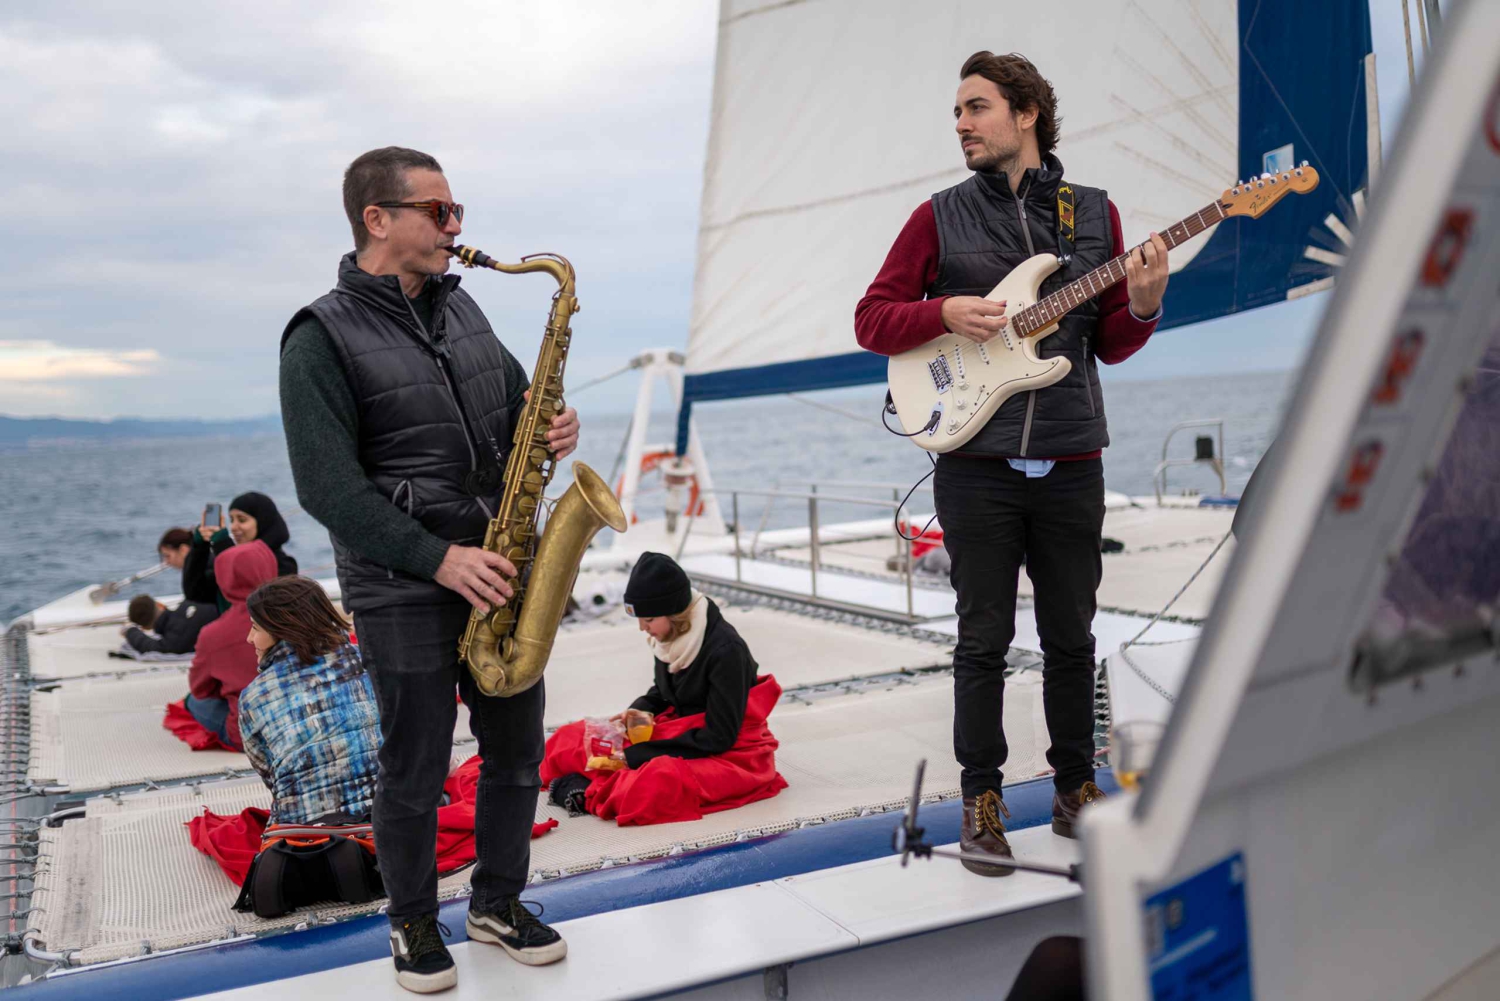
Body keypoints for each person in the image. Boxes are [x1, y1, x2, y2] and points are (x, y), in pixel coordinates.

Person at [854, 52, 1167, 874]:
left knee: (1073, 636)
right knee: (981, 640)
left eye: (976, 107)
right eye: (958, 110)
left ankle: (1075, 789)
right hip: (976, 463)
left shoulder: (1094, 214)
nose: (961, 123)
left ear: (1026, 113)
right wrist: (941, 311)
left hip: (1071, 456)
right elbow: (871, 318)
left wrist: (1142, 302)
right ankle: (981, 799)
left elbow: (1110, 344)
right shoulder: (939, 217)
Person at [279, 146, 581, 992]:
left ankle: (497, 901)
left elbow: (520, 401)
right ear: (378, 219)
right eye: (440, 212)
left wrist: (553, 423)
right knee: (414, 762)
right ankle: (413, 921)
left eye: (457, 212)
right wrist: (438, 559)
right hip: (404, 579)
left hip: (496, 560)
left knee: (518, 751)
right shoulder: (318, 335)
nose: (458, 228)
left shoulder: (465, 306)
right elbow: (326, 488)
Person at [542, 554, 786, 825]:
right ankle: (589, 779)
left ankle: (581, 789)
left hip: (729, 751)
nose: (642, 628)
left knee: (655, 782)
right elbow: (663, 690)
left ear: (673, 611)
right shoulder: (671, 636)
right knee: (574, 737)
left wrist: (636, 756)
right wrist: (638, 710)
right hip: (682, 730)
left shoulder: (726, 652)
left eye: (648, 619)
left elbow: (719, 737)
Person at [240, 576, 380, 826]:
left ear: (281, 629)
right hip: (396, 817)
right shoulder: (374, 661)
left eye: (255, 628)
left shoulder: (255, 695)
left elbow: (272, 776)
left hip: (310, 836)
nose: (249, 639)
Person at [185, 541, 279, 750]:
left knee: (192, 700)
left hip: (251, 734)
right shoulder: (300, 612)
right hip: (301, 721)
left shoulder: (213, 634)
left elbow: (201, 689)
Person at [183, 493, 297, 610]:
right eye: (232, 520)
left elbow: (258, 602)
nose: (233, 527)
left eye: (242, 520)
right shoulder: (222, 566)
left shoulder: (284, 566)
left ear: (263, 522)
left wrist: (222, 545)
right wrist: (199, 547)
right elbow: (194, 593)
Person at [124, 593, 218, 655]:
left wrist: (130, 631)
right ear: (159, 605)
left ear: (145, 628)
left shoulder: (173, 641)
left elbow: (149, 647)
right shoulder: (187, 603)